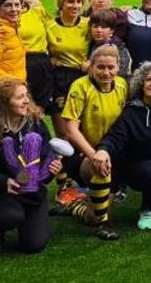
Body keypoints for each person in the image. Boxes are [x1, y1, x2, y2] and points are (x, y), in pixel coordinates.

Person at [0, 80, 61, 254]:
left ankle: (27, 224)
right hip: (2, 192)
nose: (26, 101)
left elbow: (44, 160)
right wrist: (5, 182)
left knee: (34, 245)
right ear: (3, 102)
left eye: (26, 95)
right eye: (20, 97)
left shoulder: (36, 124)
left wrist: (51, 170)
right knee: (11, 216)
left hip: (33, 194)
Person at [93, 62, 151, 232]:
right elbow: (115, 136)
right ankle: (146, 209)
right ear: (141, 83)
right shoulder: (131, 112)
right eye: (149, 79)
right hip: (140, 168)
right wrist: (103, 149)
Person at [55, 45, 129, 240]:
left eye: (110, 67)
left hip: (112, 152)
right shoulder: (80, 86)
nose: (106, 72)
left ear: (118, 67)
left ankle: (72, 206)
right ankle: (105, 226)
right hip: (84, 155)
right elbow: (71, 129)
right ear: (91, 67)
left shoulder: (122, 85)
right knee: (101, 167)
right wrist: (93, 154)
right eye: (100, 67)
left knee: (91, 217)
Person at [0, 0, 56, 116]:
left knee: (39, 112)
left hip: (42, 65)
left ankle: (36, 139)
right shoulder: (0, 12)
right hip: (18, 64)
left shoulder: (37, 8)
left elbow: (52, 31)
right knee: (21, 110)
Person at [46, 0, 92, 111]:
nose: (75, 5)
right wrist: (48, 59)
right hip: (59, 78)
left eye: (79, 1)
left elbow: (100, 46)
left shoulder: (88, 24)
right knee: (63, 128)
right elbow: (39, 47)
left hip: (83, 76)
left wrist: (91, 62)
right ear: (61, 3)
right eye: (71, 1)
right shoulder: (49, 26)